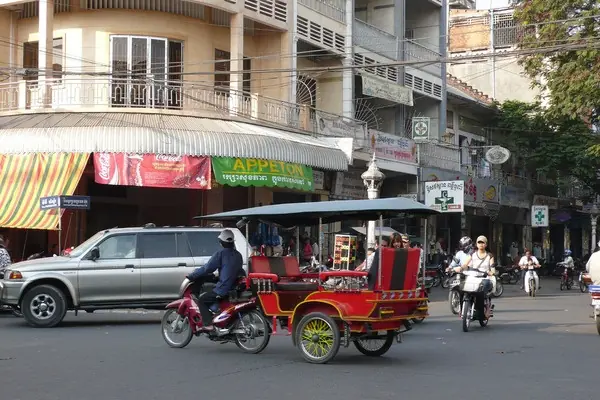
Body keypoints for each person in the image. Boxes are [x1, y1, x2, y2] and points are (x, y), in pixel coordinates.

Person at [186, 229, 245, 331]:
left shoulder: (220, 254)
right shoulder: (238, 255)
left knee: (202, 300)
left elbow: (207, 269)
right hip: (234, 286)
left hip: (224, 288)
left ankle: (208, 324)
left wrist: (192, 276)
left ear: (221, 242)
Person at [453, 235, 494, 317]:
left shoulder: (490, 256)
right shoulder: (472, 254)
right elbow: (465, 264)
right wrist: (461, 268)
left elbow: (492, 269)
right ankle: (462, 308)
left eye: (483, 242)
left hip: (484, 277)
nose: (481, 244)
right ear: (476, 244)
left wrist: (490, 272)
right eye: (479, 242)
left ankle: (483, 310)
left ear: (486, 244)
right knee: (461, 288)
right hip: (472, 277)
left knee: (481, 292)